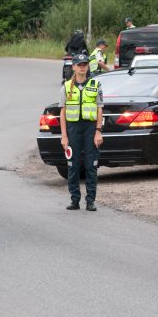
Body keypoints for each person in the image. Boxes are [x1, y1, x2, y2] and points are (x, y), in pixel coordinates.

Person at [59, 53, 104, 211]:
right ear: (73, 67)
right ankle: (75, 200)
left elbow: (100, 110)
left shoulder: (95, 84)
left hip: (90, 129)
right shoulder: (66, 86)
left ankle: (90, 200)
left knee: (91, 165)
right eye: (79, 64)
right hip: (73, 130)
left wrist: (98, 131)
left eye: (85, 64)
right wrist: (64, 136)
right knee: (73, 166)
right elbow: (62, 113)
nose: (82, 67)